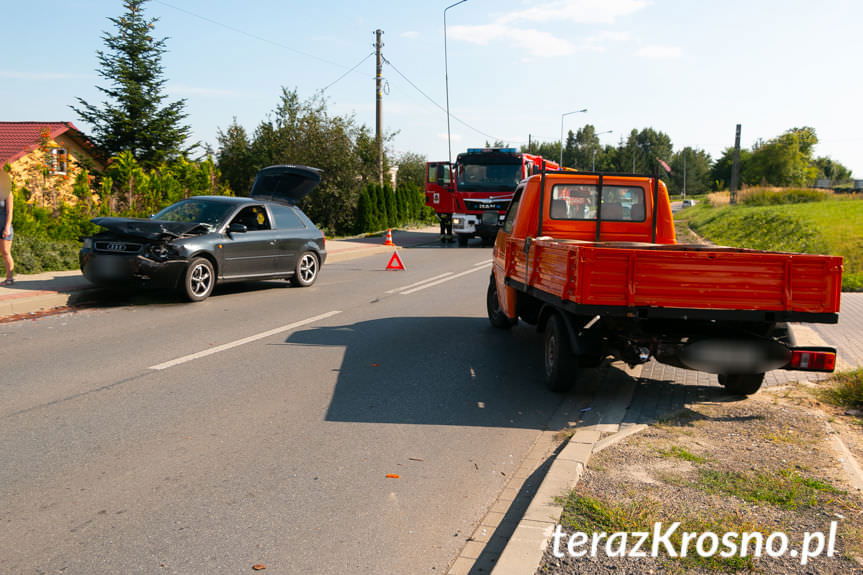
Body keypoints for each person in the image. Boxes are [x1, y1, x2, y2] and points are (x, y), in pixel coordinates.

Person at [0, 168, 14, 285]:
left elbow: (10, 212)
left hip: (4, 226)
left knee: (5, 252)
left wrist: (7, 228)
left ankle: (9, 278)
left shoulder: (8, 193)